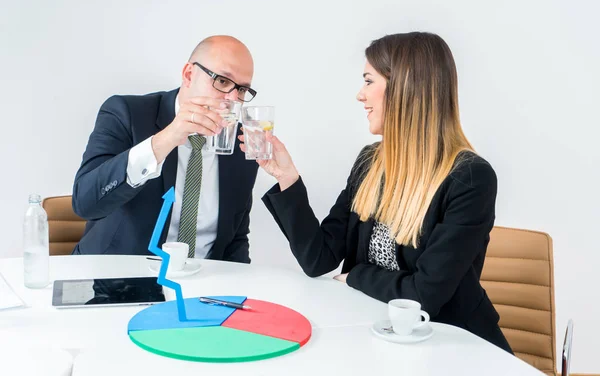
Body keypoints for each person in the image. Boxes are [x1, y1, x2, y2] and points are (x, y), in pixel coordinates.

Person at [242, 32, 513, 353]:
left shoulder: (469, 177)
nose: (360, 94)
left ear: (406, 89)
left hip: (450, 343)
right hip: (375, 333)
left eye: (369, 81)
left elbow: (424, 296)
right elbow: (318, 259)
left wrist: (356, 274)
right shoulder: (370, 162)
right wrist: (287, 176)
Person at [72, 35, 259, 263]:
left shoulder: (241, 144)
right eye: (222, 81)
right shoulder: (126, 113)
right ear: (189, 75)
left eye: (241, 90)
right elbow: (85, 203)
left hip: (201, 285)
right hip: (116, 279)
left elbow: (235, 239)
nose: (232, 99)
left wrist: (237, 290)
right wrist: (167, 138)